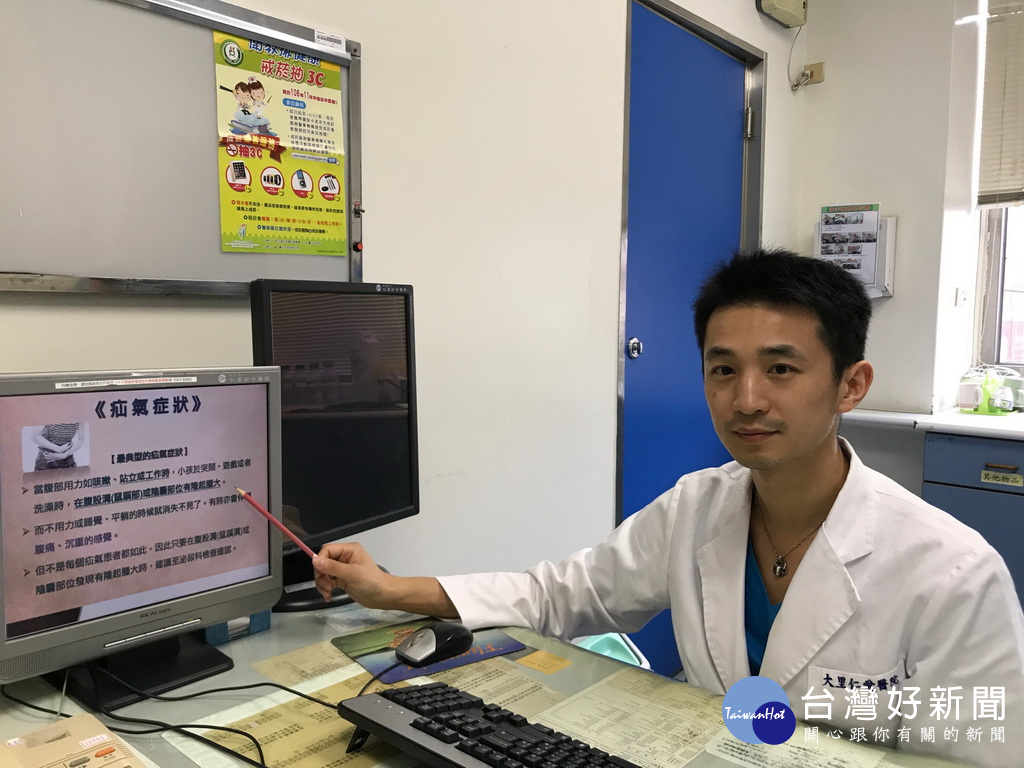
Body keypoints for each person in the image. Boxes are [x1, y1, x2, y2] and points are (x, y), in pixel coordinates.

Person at [313, 248, 1024, 766]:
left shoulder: (952, 573)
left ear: (851, 385)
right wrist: (390, 589)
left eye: (781, 368)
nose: (746, 398)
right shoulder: (697, 507)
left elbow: (980, 756)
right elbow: (563, 595)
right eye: (723, 369)